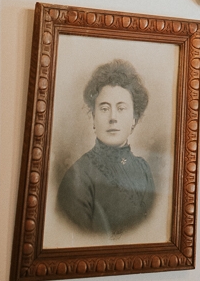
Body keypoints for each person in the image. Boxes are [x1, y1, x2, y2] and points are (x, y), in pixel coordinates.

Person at [57, 59, 155, 235]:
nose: (113, 118)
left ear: (134, 119)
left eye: (121, 108)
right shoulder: (77, 177)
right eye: (104, 108)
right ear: (93, 117)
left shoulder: (143, 169)